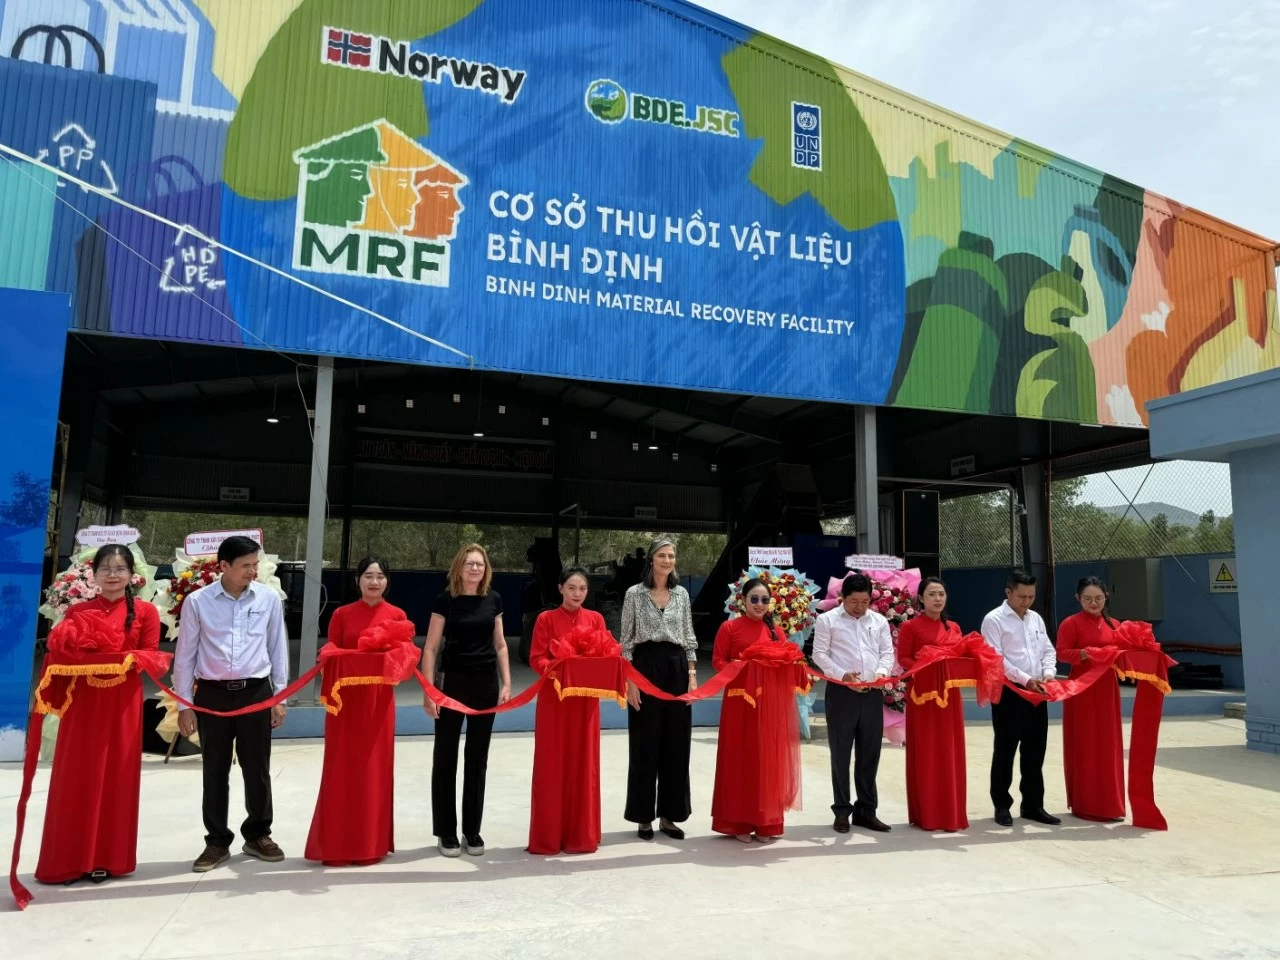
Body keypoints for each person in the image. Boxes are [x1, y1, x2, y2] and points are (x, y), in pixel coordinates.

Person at [35, 544, 161, 885]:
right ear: (93, 574)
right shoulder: (77, 613)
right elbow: (60, 657)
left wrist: (119, 659)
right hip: (83, 704)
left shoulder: (147, 612)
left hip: (123, 704)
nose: (112, 575)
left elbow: (150, 656)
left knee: (117, 777)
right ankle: (68, 860)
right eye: (105, 568)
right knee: (76, 776)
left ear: (132, 574)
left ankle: (109, 858)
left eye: (120, 568)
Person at [175, 535, 289, 872]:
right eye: (245, 566)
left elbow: (277, 648)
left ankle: (258, 834)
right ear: (223, 566)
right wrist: (185, 704)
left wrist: (278, 697)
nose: (252, 571)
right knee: (214, 769)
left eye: (255, 565)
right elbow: (185, 655)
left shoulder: (268, 599)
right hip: (212, 695)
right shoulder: (197, 602)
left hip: (256, 692)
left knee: (258, 768)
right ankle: (216, 841)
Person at [305, 557, 412, 865]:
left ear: (387, 581)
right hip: (344, 705)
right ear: (357, 580)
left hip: (378, 705)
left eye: (380, 576)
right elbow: (331, 653)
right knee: (341, 770)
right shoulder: (341, 614)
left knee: (373, 771)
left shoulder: (397, 615)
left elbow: (402, 662)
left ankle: (370, 845)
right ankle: (336, 845)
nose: (374, 582)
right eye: (368, 575)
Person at [422, 543, 512, 858]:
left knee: (477, 759)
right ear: (458, 567)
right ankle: (446, 831)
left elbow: (500, 645)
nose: (475, 568)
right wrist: (429, 691)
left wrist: (506, 683)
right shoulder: (445, 600)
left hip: (485, 684)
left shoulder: (494, 600)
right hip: (452, 685)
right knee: (445, 757)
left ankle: (471, 831)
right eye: (470, 563)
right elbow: (431, 648)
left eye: (480, 564)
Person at [710, 578, 806, 843]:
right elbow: (719, 661)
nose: (760, 605)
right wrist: (745, 666)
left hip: (770, 707)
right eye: (754, 599)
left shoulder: (776, 631)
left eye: (765, 600)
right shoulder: (729, 628)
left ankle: (767, 823)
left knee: (768, 761)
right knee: (741, 760)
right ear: (743, 600)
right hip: (740, 705)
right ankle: (739, 822)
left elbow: (785, 663)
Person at [527, 566, 609, 855]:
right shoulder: (546, 619)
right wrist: (560, 668)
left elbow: (607, 656)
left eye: (582, 589)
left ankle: (581, 835)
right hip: (555, 700)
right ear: (560, 588)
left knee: (583, 765)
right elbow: (536, 658)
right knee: (553, 764)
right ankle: (548, 836)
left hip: (586, 702)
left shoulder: (596, 619)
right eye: (571, 588)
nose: (577, 594)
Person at [621, 538, 697, 841]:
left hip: (677, 667)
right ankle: (643, 816)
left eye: (672, 556)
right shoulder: (634, 595)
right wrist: (629, 679)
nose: (667, 560)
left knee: (676, 744)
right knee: (644, 742)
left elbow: (689, 636)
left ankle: (670, 815)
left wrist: (692, 676)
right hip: (645, 666)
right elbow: (626, 640)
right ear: (651, 559)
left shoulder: (681, 595)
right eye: (662, 555)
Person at [813, 573, 895, 833]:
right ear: (842, 598)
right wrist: (841, 676)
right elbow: (819, 654)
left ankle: (866, 811)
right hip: (841, 693)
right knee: (841, 753)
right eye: (854, 601)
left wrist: (882, 672)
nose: (859, 607)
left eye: (864, 601)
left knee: (870, 753)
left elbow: (887, 652)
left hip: (871, 693)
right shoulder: (828, 620)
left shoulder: (879, 621)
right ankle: (841, 810)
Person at [981, 570, 1061, 827]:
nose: (1026, 601)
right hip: (1009, 693)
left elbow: (1048, 649)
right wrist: (1026, 679)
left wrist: (1048, 674)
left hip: (1038, 692)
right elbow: (996, 658)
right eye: (1021, 596)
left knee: (1035, 750)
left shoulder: (1036, 618)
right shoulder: (993, 620)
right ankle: (1002, 805)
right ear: (1008, 593)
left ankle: (1033, 805)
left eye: (1031, 596)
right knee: (1005, 750)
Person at [897, 577, 967, 832]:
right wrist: (923, 666)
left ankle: (951, 812)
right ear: (921, 599)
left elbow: (961, 658)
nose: (938, 599)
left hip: (949, 697)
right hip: (923, 697)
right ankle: (926, 814)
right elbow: (903, 658)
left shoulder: (955, 628)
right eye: (932, 594)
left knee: (950, 751)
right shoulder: (910, 627)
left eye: (941, 594)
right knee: (926, 751)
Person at [1057, 576, 1125, 822]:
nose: (1093, 603)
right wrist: (1085, 653)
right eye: (1087, 599)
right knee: (1084, 742)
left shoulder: (1115, 624)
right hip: (1082, 689)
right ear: (1078, 599)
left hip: (1107, 689)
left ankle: (1111, 804)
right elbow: (1062, 653)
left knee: (1108, 743)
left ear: (1106, 597)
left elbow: (1123, 654)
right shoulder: (1071, 623)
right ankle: (1085, 804)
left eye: (1098, 598)